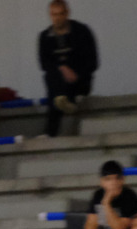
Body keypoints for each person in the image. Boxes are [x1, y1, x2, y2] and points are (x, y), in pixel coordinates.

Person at [38, 0, 99, 137]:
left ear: (67, 14)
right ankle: (65, 101)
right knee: (53, 81)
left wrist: (76, 74)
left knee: (56, 94)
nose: (57, 18)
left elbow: (93, 62)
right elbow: (44, 64)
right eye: (54, 15)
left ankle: (50, 131)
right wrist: (62, 68)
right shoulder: (45, 37)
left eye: (60, 14)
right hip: (57, 83)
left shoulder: (82, 31)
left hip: (79, 82)